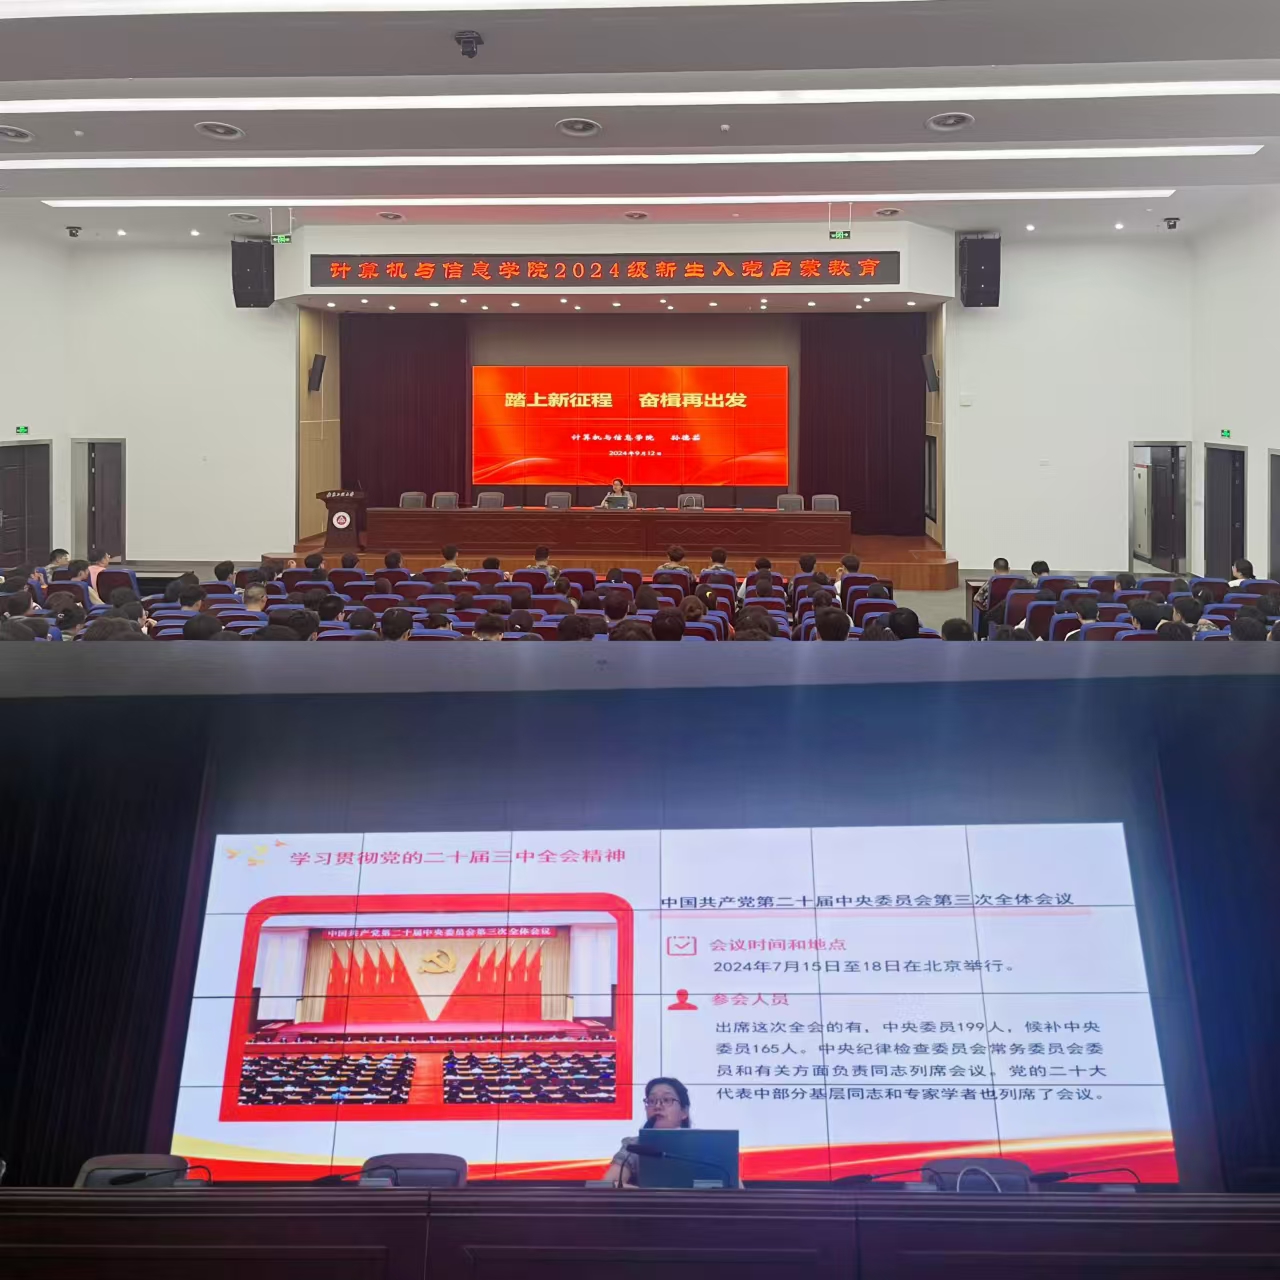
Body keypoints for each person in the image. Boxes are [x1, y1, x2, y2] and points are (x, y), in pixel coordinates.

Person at [606, 1078, 692, 1187]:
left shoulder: (697, 1146)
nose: (657, 1106)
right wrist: (651, 1194)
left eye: (666, 1100)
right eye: (651, 1101)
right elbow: (608, 1184)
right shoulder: (635, 1146)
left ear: (684, 1111)